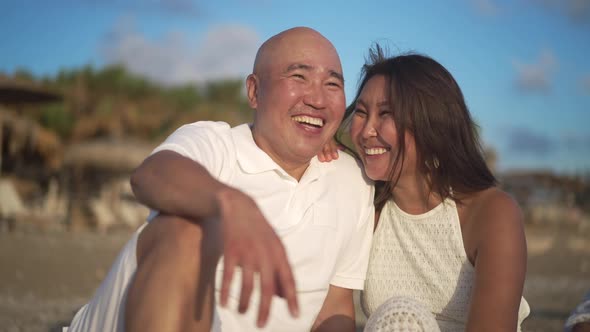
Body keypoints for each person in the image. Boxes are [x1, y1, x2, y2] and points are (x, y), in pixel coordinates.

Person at [65, 27, 374, 332]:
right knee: (184, 228)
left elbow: (333, 308)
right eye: (298, 77)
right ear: (254, 91)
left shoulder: (351, 182)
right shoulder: (217, 144)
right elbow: (151, 174)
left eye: (332, 84)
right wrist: (228, 203)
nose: (317, 99)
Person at [326, 45, 530, 331]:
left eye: (386, 113)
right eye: (361, 112)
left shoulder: (491, 213)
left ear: (432, 124)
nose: (367, 130)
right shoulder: (365, 206)